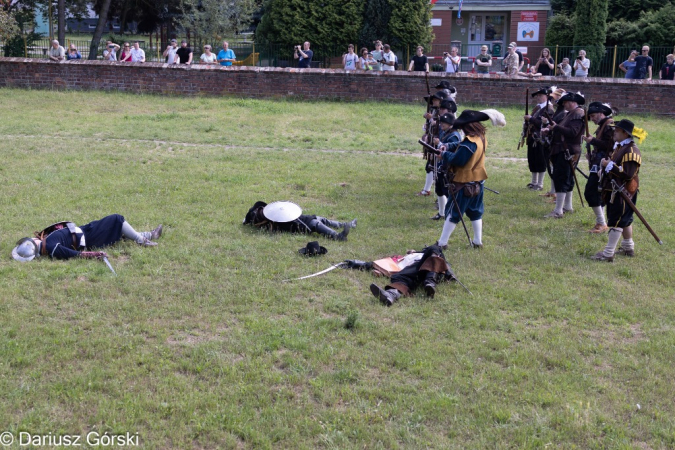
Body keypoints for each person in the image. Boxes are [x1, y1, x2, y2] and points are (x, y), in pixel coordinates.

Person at [436, 109, 505, 248]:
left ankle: (442, 243)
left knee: (453, 213)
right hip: (478, 181)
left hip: (464, 183)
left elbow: (458, 159)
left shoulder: (469, 142)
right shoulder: (480, 137)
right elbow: (461, 146)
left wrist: (444, 154)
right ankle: (477, 241)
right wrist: (448, 146)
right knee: (475, 212)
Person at [591, 119, 643, 262]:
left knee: (617, 221)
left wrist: (609, 165)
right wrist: (605, 167)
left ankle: (608, 254)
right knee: (624, 219)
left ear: (625, 134)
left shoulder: (632, 151)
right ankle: (628, 247)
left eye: (617, 130)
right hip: (616, 190)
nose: (614, 132)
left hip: (623, 192)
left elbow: (627, 173)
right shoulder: (620, 147)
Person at [11, 215, 163, 262]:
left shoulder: (46, 241)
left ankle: (150, 235)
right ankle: (143, 241)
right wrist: (95, 254)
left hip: (85, 230)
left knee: (119, 231)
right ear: (35, 247)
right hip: (89, 238)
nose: (34, 238)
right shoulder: (51, 247)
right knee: (117, 220)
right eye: (33, 240)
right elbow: (75, 254)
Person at [541, 92, 585, 218]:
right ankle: (567, 206)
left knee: (562, 178)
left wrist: (555, 128)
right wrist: (550, 129)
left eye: (565, 102)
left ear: (571, 102)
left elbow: (572, 132)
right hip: (563, 150)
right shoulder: (571, 114)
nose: (564, 105)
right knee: (566, 178)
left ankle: (558, 210)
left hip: (568, 150)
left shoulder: (577, 113)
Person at [369, 244, 456, 306]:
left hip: (431, 269)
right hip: (414, 271)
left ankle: (430, 281)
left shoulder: (428, 253)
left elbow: (446, 266)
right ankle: (391, 295)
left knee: (434, 248)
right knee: (402, 276)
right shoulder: (402, 258)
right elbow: (380, 264)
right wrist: (356, 263)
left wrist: (450, 274)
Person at [243, 201, 356, 241]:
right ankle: (338, 237)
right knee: (315, 224)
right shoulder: (268, 223)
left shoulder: (272, 212)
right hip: (296, 225)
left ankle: (346, 224)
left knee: (320, 218)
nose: (260, 209)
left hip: (299, 218)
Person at [583, 102, 615, 233]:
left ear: (602, 113)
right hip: (598, 162)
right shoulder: (603, 125)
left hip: (603, 164)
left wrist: (592, 141)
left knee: (591, 192)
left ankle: (602, 223)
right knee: (597, 192)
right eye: (590, 116)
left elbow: (610, 145)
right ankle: (600, 222)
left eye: (594, 115)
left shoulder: (608, 126)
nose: (592, 119)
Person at [431, 109, 461, 220]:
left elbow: (453, 150)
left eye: (444, 123)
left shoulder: (454, 135)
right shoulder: (446, 132)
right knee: (439, 190)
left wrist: (439, 144)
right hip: (442, 166)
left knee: (448, 192)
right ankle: (442, 213)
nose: (442, 124)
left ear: (451, 125)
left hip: (449, 168)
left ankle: (451, 214)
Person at [524, 87, 555, 191]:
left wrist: (531, 119)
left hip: (541, 138)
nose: (538, 97)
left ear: (547, 96)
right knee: (532, 160)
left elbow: (544, 123)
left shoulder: (549, 109)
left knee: (541, 161)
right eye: (537, 96)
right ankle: (534, 182)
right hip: (533, 137)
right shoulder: (538, 108)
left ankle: (540, 184)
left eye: (540, 95)